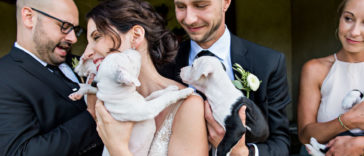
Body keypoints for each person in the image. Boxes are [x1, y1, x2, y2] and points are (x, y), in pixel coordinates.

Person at [160, 0, 291, 155]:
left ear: (226, 2)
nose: (189, 19)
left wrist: (241, 153)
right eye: (181, 7)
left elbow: (281, 144)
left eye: (201, 5)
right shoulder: (162, 64)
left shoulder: (268, 63)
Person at [83, 0, 209, 155]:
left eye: (96, 37)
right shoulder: (104, 103)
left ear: (135, 36)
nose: (87, 52)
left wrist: (118, 148)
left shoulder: (188, 105)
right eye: (87, 42)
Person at [0, 0, 103, 155]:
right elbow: (20, 152)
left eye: (75, 29)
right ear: (29, 17)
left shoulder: (82, 62)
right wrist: (91, 116)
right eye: (65, 26)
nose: (73, 38)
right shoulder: (5, 77)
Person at [297, 0, 364, 155]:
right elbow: (305, 136)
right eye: (348, 18)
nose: (354, 32)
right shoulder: (315, 69)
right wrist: (348, 120)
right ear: (339, 18)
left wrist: (360, 144)